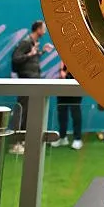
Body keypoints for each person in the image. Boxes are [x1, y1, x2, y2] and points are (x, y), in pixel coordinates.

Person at [9, 20, 53, 155]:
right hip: (26, 82)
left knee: (28, 112)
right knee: (22, 111)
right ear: (38, 29)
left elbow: (31, 59)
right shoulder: (26, 42)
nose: (45, 31)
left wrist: (41, 52)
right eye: (43, 28)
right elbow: (16, 58)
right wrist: (31, 54)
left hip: (32, 81)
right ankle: (16, 142)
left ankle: (23, 140)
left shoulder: (33, 43)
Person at [50, 64, 84, 150]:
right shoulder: (64, 60)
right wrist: (61, 70)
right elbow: (62, 63)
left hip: (75, 85)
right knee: (62, 113)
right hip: (63, 84)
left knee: (75, 112)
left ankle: (77, 139)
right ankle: (62, 137)